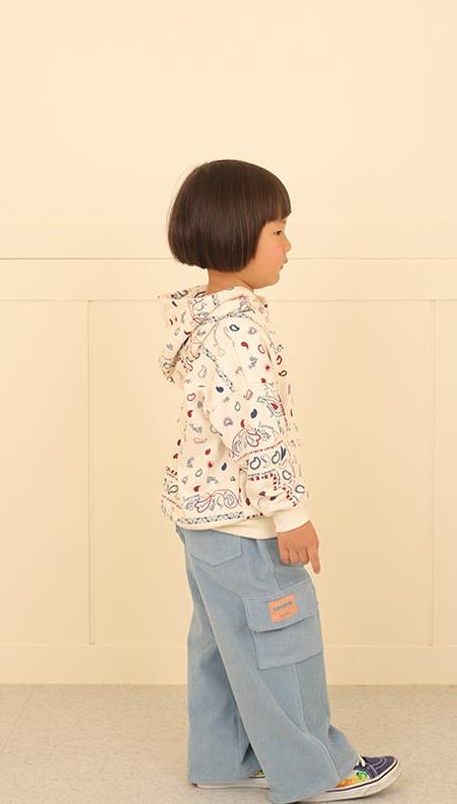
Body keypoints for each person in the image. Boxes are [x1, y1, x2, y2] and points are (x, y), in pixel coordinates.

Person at [159, 159, 400, 803]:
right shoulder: (237, 331)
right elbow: (255, 431)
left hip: (204, 520)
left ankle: (223, 760)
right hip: (246, 524)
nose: (289, 245)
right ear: (235, 234)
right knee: (281, 643)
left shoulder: (205, 319)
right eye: (278, 231)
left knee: (222, 645)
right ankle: (316, 770)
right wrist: (290, 515)